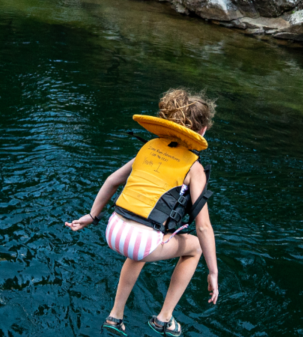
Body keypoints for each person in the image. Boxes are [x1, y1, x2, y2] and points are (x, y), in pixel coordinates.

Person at [65, 88, 219, 337]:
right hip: (141, 242)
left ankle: (115, 316)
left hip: (113, 229)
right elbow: (203, 227)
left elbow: (112, 180)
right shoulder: (195, 167)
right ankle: (164, 319)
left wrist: (92, 216)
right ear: (202, 131)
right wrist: (213, 272)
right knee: (195, 247)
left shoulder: (148, 147)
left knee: (139, 247)